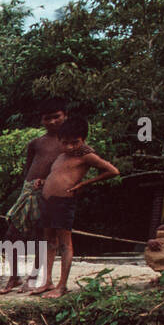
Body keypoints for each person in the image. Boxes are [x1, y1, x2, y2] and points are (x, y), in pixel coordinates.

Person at [31, 116, 120, 299]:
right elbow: (57, 175)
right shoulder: (61, 156)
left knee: (65, 244)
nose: (70, 147)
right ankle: (47, 281)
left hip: (64, 202)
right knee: (49, 242)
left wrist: (84, 184)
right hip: (48, 201)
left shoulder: (87, 155)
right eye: (65, 143)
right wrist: (43, 181)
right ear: (59, 141)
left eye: (75, 142)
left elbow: (113, 171)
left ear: (83, 140)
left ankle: (62, 286)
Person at [0, 98, 67, 294]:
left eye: (57, 117)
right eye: (48, 118)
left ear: (65, 116)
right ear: (41, 120)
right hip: (29, 190)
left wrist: (50, 184)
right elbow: (28, 169)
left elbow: (70, 170)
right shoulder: (35, 143)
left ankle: (34, 276)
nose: (52, 122)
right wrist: (27, 188)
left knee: (41, 236)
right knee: (11, 234)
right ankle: (14, 277)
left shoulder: (69, 143)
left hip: (50, 192)